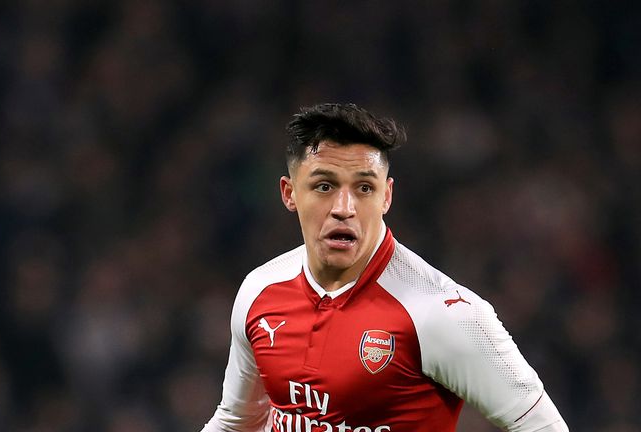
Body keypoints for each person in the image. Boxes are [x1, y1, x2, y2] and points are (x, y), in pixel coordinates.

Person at [201, 103, 568, 432]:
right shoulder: (260, 291)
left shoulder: (444, 313)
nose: (344, 207)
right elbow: (237, 422)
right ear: (289, 193)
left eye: (364, 188)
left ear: (386, 196)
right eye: (325, 186)